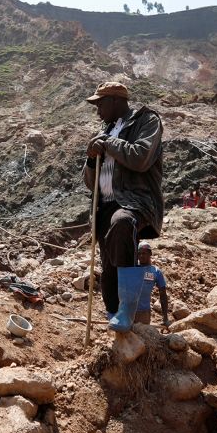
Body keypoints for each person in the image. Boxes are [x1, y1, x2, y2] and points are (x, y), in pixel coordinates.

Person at [82, 81, 163, 318]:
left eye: (100, 104)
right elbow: (90, 182)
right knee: (108, 265)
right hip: (103, 205)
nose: (98, 111)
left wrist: (108, 144)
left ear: (115, 101)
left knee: (122, 223)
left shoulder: (146, 121)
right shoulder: (104, 131)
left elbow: (141, 157)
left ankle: (130, 306)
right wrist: (90, 158)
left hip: (134, 202)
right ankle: (113, 315)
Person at [134, 243, 170, 328]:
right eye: (139, 253)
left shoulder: (156, 272)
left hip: (144, 313)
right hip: (128, 311)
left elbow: (163, 295)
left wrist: (165, 318)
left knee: (142, 338)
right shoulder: (133, 268)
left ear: (150, 254)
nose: (141, 256)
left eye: (144, 253)